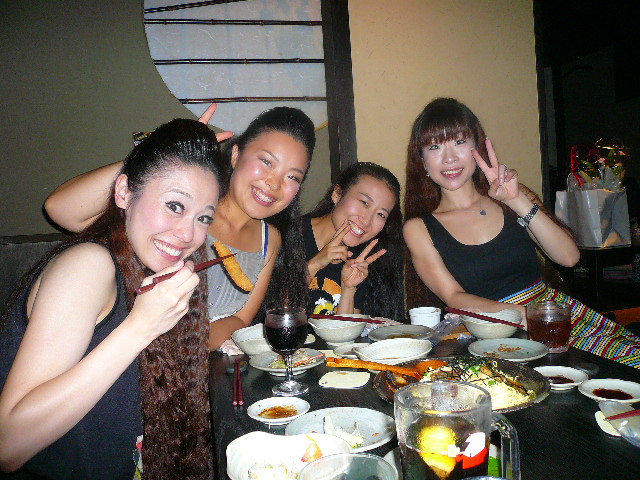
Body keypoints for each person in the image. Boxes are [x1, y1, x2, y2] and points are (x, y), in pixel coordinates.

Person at [0, 119, 228, 478]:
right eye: (174, 205)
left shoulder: (144, 270)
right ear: (123, 192)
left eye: (203, 218)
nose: (188, 234)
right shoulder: (88, 266)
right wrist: (139, 328)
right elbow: (8, 444)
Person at [44, 104, 315, 351]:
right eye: (266, 162)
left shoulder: (269, 239)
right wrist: (165, 154)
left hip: (187, 371)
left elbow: (240, 319)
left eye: (292, 177)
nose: (274, 183)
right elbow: (61, 210)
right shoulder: (174, 213)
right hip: (115, 359)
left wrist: (185, 348)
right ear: (236, 155)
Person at [403, 97, 640, 368]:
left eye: (459, 142)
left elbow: (569, 257)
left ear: (476, 147)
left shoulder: (512, 195)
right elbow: (454, 298)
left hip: (555, 313)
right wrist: (525, 314)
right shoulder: (419, 228)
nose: (449, 158)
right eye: (434, 147)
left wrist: (516, 200)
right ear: (422, 160)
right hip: (498, 334)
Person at [304, 162, 404, 321]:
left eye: (381, 214)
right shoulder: (285, 235)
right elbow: (273, 312)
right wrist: (315, 264)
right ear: (337, 194)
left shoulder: (360, 261)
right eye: (364, 203)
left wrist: (349, 290)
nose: (366, 221)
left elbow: (344, 333)